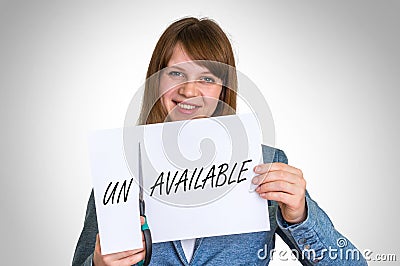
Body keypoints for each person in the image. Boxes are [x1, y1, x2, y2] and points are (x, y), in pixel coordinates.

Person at [72, 17, 367, 265]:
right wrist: (98, 264)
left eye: (207, 78)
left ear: (223, 90)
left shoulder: (264, 164)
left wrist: (300, 214)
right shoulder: (120, 168)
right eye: (175, 73)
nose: (189, 91)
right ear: (156, 80)